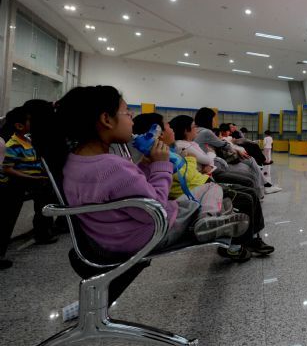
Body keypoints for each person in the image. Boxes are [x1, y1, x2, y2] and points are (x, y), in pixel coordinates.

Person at [31, 86, 247, 255]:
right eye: (126, 112)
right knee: (210, 191)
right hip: (149, 233)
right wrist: (161, 165)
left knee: (203, 195)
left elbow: (129, 191)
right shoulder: (111, 166)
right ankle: (210, 219)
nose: (131, 118)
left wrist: (145, 165)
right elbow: (156, 211)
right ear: (106, 119)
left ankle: (213, 217)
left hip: (113, 236)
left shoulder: (75, 162)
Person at [139, 113, 274, 261]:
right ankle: (236, 246)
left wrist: (197, 163)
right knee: (246, 198)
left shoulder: (169, 152)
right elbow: (187, 176)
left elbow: (190, 171)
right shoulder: (167, 154)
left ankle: (252, 238)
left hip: (204, 182)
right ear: (158, 133)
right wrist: (193, 160)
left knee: (249, 192)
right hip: (200, 188)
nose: (171, 129)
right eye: (168, 126)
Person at [0, 106, 57, 270]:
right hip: (14, 185)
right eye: (30, 121)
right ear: (19, 126)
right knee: (6, 220)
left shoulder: (29, 140)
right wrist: (32, 177)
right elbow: (7, 169)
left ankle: (43, 231)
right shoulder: (13, 144)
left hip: (31, 182)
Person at [194, 108, 266, 197]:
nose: (214, 121)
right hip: (214, 163)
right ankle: (261, 189)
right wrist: (238, 150)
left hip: (211, 161)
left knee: (250, 158)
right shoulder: (206, 132)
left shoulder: (196, 131)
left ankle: (262, 185)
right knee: (250, 160)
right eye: (213, 118)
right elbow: (224, 145)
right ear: (208, 119)